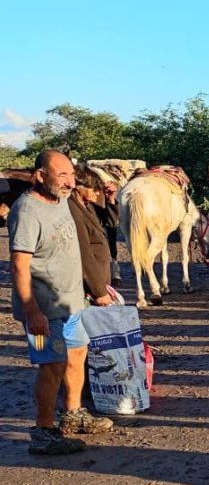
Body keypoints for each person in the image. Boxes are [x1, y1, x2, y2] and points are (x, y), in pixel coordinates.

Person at [9, 149, 113, 455]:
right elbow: (18, 266)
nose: (69, 182)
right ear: (41, 176)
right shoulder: (26, 211)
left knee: (77, 354)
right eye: (61, 175)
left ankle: (73, 413)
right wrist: (31, 311)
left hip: (70, 305)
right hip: (41, 312)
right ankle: (43, 430)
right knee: (50, 366)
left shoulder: (63, 200)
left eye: (71, 174)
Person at [68, 166, 116, 305]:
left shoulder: (86, 205)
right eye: (94, 189)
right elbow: (84, 254)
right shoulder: (74, 211)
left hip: (98, 281)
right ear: (79, 187)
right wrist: (99, 292)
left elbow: (110, 222)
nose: (97, 193)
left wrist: (110, 200)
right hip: (88, 287)